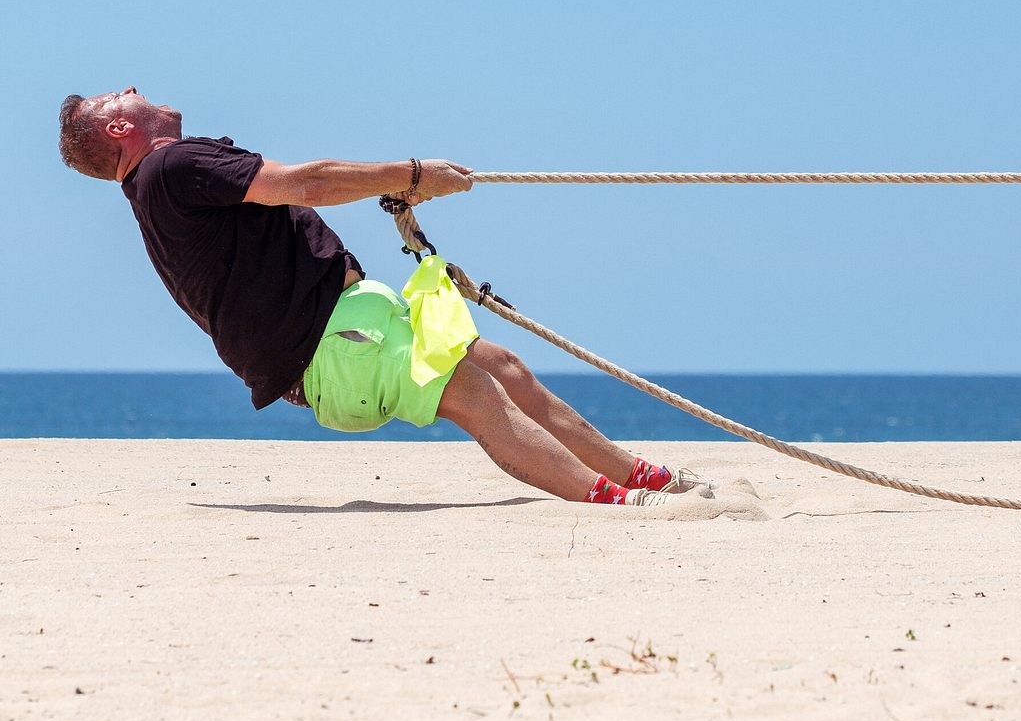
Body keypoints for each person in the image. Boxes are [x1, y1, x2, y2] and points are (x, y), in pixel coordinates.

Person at [58, 87, 710, 506]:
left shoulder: (159, 186)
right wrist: (413, 174)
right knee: (475, 394)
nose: (140, 89)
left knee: (502, 369)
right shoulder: (172, 166)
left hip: (350, 326)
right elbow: (304, 185)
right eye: (124, 93)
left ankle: (640, 476)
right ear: (119, 128)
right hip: (333, 349)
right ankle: (620, 504)